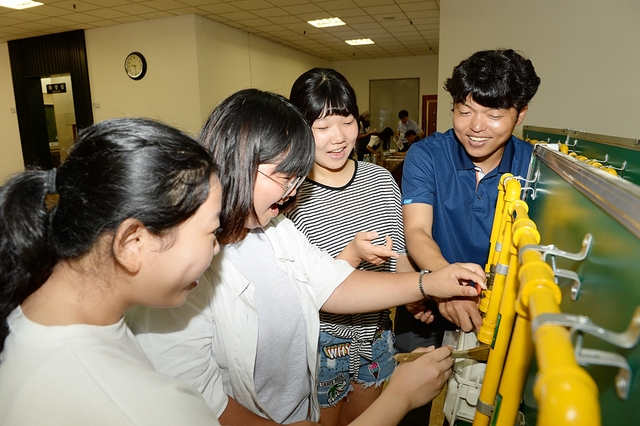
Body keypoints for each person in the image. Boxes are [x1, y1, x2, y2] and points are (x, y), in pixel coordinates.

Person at [127, 89, 487, 426]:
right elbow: (209, 409)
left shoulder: (273, 230)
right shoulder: (182, 278)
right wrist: (400, 398)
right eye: (284, 176)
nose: (291, 193)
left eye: (297, 179)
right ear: (240, 161)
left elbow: (333, 284)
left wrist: (430, 281)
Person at [0, 118, 223, 425]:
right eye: (213, 231)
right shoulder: (150, 409)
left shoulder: (36, 304)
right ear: (133, 242)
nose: (216, 248)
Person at [396, 48, 541, 426]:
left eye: (493, 115)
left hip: (493, 312)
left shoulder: (533, 167)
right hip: (428, 299)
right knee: (407, 403)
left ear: (520, 114)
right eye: (465, 111)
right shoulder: (426, 155)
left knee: (477, 407)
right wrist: (447, 285)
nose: (476, 127)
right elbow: (416, 231)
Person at [287, 68, 426, 426]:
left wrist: (420, 293)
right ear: (300, 129)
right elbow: (298, 288)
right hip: (319, 345)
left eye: (346, 121)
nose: (338, 138)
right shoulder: (290, 194)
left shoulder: (379, 179)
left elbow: (400, 258)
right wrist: (350, 255)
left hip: (375, 336)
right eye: (322, 127)